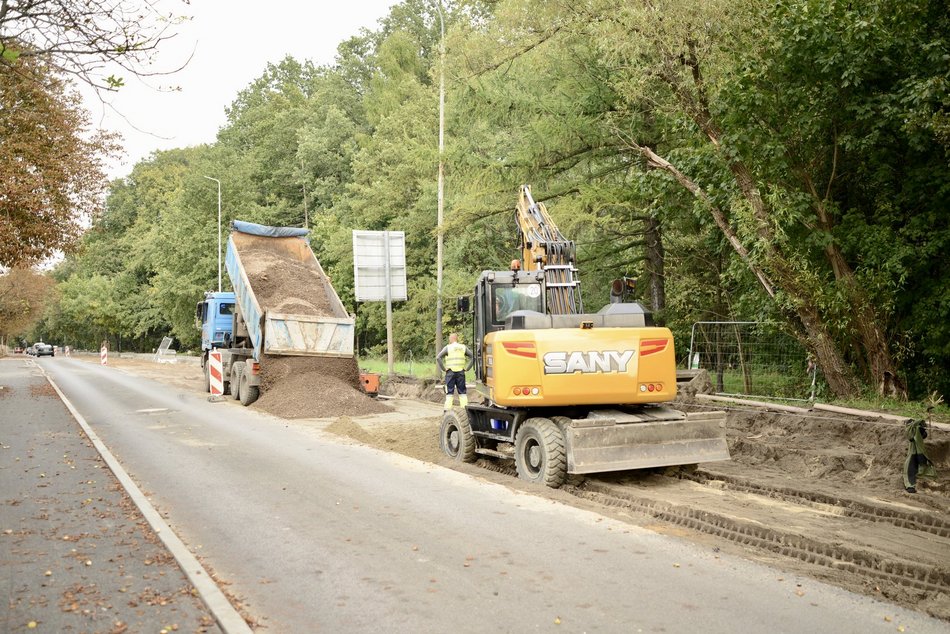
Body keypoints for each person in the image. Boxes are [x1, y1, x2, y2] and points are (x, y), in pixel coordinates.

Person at [436, 332, 474, 409]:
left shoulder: (448, 347)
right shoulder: (463, 347)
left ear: (451, 338)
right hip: (461, 372)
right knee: (462, 392)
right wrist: (467, 368)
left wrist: (443, 369)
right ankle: (464, 409)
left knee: (449, 392)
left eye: (449, 338)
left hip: (450, 372)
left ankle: (447, 409)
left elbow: (438, 357)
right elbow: (473, 357)